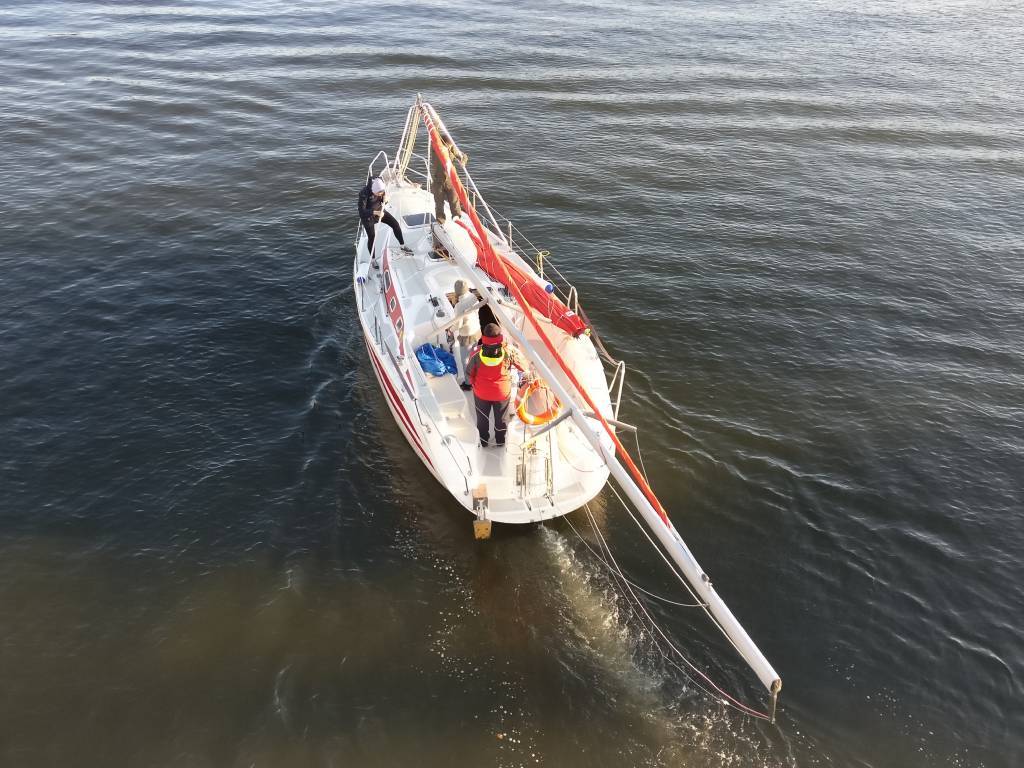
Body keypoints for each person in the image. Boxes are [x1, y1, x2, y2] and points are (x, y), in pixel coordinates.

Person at [467, 323, 526, 448]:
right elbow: (523, 366)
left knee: (482, 419)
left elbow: (469, 373)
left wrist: (475, 384)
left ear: (484, 336)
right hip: (502, 393)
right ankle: (500, 441)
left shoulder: (476, 352)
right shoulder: (508, 351)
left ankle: (483, 441)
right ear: (500, 336)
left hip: (481, 393)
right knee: (501, 419)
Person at [358, 177, 411, 257]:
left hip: (380, 211)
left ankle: (402, 246)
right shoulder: (364, 193)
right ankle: (373, 259)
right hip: (368, 217)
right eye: (378, 193)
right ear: (373, 191)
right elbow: (361, 212)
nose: (380, 194)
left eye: (382, 193)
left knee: (395, 225)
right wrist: (376, 212)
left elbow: (383, 200)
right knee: (372, 237)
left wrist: (385, 200)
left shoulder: (382, 188)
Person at [430, 134, 468, 224]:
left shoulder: (451, 149)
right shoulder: (436, 148)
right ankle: (440, 221)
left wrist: (463, 161)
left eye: (450, 145)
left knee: (454, 200)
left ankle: (457, 218)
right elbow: (434, 135)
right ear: (443, 143)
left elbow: (463, 156)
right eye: (448, 145)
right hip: (438, 181)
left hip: (451, 180)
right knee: (439, 203)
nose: (449, 147)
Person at [452, 280, 481, 390]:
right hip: (476, 331)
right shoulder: (473, 297)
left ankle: (468, 384)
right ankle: (477, 377)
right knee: (475, 356)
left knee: (466, 360)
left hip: (467, 336)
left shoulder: (459, 306)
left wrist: (450, 330)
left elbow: (458, 325)